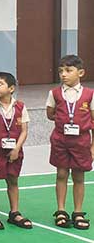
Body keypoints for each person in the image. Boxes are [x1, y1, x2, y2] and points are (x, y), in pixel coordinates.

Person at [46, 55, 94, 230]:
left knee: (79, 176)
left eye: (68, 70)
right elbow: (50, 114)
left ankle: (78, 211)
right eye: (61, 71)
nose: (63, 74)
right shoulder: (54, 93)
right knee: (61, 174)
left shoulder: (90, 94)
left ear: (80, 73)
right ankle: (61, 210)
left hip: (81, 141)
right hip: (60, 140)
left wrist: (93, 147)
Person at [0, 72, 31, 230]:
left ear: (11, 88)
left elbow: (24, 131)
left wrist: (17, 149)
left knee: (13, 181)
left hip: (14, 152)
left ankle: (14, 212)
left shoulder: (21, 107)